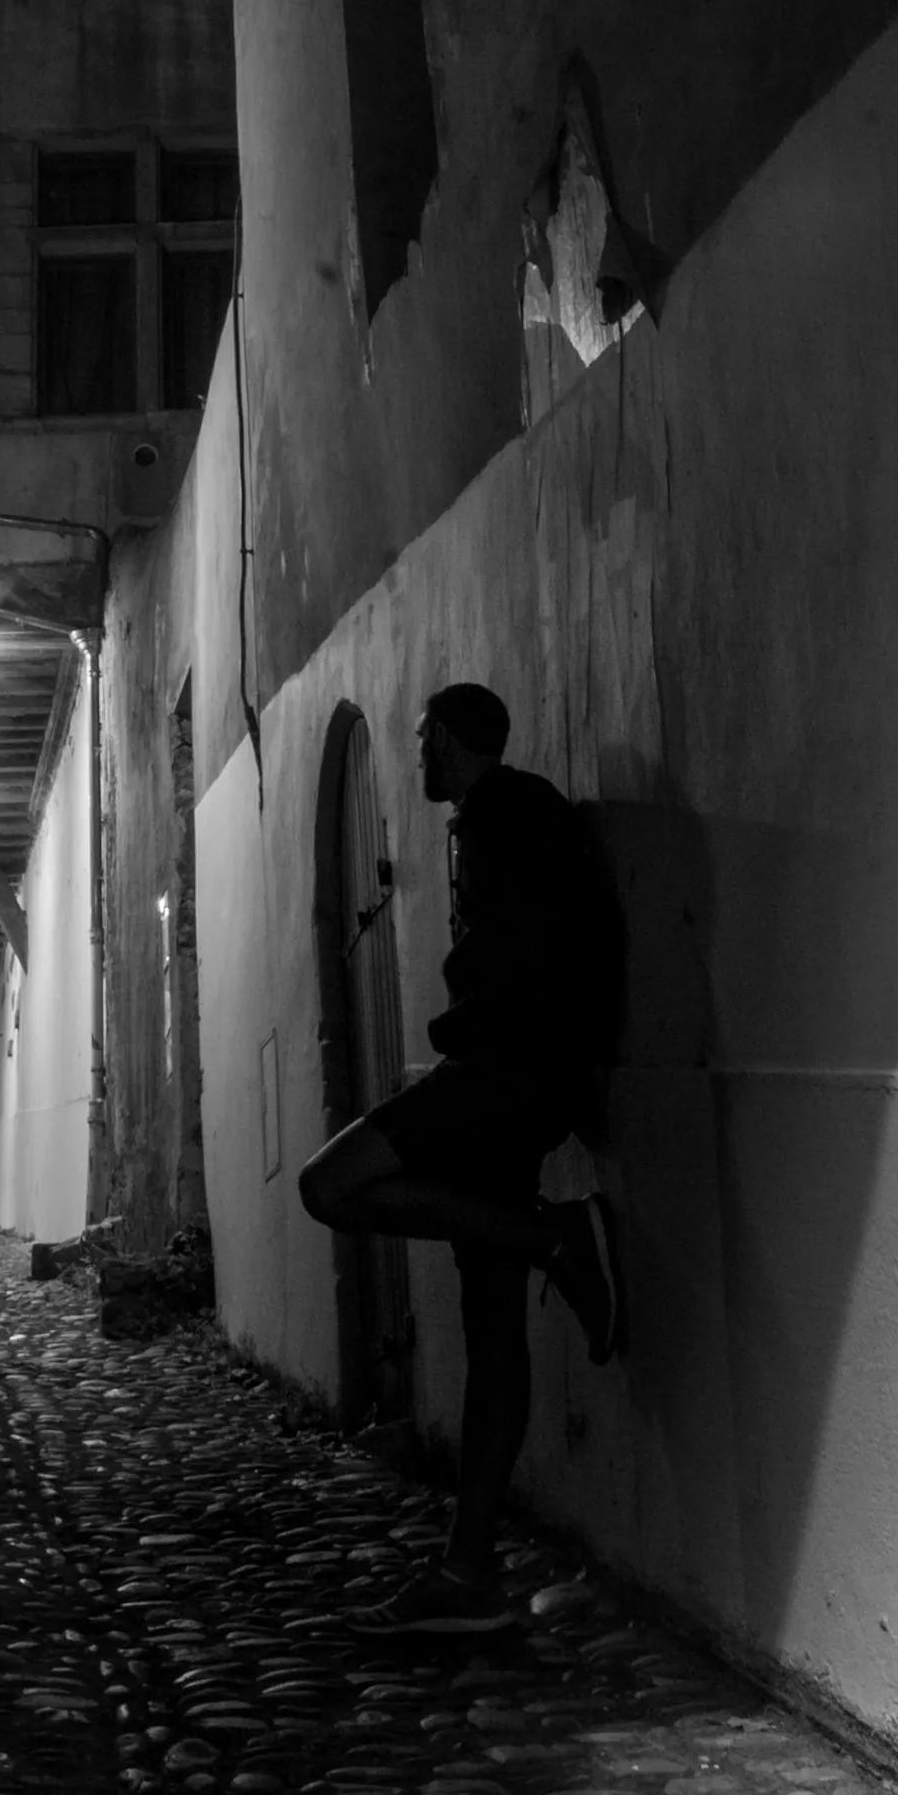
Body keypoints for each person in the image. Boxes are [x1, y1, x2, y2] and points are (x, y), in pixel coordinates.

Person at [298, 681, 622, 1636]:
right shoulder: (507, 815)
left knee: (330, 1185)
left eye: (423, 739)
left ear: (450, 737)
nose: (417, 755)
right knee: (492, 1333)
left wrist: (492, 1046)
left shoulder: (502, 816)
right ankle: (468, 1569)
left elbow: (531, 958)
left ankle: (551, 1237)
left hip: (496, 1076)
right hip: (522, 1077)